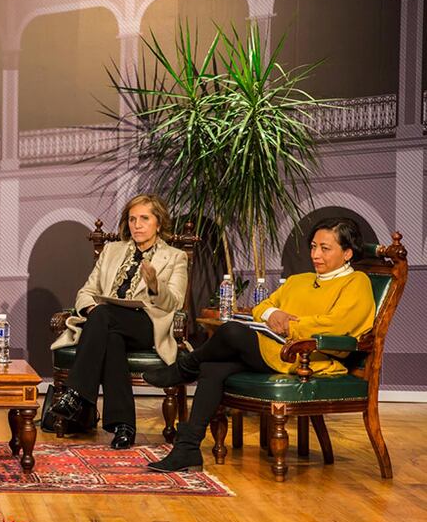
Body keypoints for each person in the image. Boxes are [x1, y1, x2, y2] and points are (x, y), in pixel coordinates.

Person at [143, 217, 376, 472]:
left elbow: (338, 325)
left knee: (231, 331)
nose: (315, 254)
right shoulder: (300, 280)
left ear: (347, 253)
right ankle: (187, 449)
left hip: (308, 358)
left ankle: (184, 367)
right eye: (313, 246)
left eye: (325, 248)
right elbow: (262, 306)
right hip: (275, 348)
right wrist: (271, 315)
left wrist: (290, 325)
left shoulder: (357, 283)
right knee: (212, 368)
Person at [48, 193, 189, 449]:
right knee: (111, 338)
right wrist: (90, 309)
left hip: (147, 325)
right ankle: (124, 427)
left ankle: (76, 394)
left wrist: (156, 285)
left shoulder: (175, 257)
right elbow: (86, 292)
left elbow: (175, 303)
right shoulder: (112, 251)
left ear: (159, 222)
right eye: (132, 219)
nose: (137, 225)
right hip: (108, 324)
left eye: (144, 218)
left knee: (104, 317)